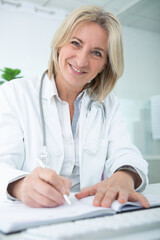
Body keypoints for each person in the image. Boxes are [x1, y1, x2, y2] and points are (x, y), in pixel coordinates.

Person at [0, 5, 149, 209]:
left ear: (105, 64)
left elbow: (126, 153)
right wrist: (20, 186)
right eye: (75, 43)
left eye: (96, 53)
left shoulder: (108, 104)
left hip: (90, 212)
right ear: (60, 44)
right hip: (31, 213)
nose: (81, 60)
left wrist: (125, 177)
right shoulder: (14, 94)